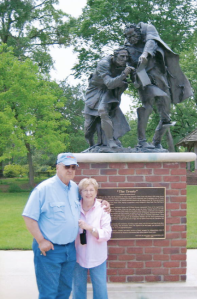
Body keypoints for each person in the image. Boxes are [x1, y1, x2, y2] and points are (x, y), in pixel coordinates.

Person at [22, 153, 110, 299]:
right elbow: (29, 216)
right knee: (49, 292)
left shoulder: (74, 188)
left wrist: (101, 202)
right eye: (66, 166)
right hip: (50, 250)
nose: (70, 170)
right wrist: (41, 241)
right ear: (57, 167)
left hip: (70, 250)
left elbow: (87, 197)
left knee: (65, 290)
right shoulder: (44, 189)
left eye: (73, 167)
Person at [124, 22, 193, 149]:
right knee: (147, 107)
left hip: (158, 75)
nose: (130, 39)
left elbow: (152, 42)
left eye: (132, 35)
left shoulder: (148, 29)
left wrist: (145, 54)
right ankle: (142, 141)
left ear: (138, 32)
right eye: (127, 37)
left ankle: (156, 141)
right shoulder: (127, 45)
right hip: (142, 77)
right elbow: (124, 60)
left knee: (166, 115)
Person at [84, 47, 133, 149]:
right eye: (122, 56)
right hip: (95, 90)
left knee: (103, 111)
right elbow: (109, 83)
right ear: (115, 56)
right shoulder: (104, 64)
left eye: (126, 57)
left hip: (109, 91)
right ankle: (91, 146)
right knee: (88, 130)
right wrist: (124, 74)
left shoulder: (126, 65)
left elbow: (112, 86)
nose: (124, 59)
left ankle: (110, 140)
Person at [72, 178, 112, 299]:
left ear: (95, 192)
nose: (88, 193)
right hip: (78, 254)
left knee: (100, 288)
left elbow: (107, 233)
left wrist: (89, 228)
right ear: (80, 192)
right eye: (85, 190)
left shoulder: (102, 209)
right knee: (78, 287)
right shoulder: (74, 207)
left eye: (91, 190)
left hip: (97, 255)